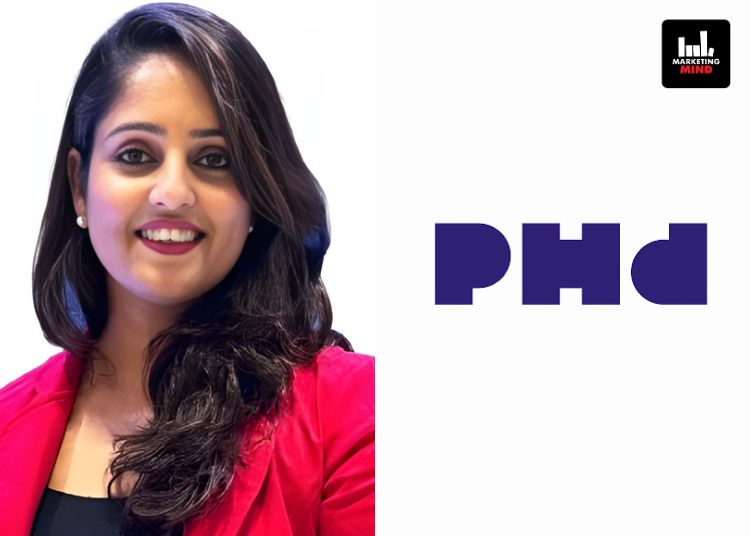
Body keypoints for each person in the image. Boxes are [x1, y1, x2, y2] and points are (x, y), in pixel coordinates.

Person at [0, 3, 374, 535]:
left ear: (256, 198)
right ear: (79, 186)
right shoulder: (7, 422)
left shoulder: (355, 415)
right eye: (136, 155)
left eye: (215, 159)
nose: (173, 193)